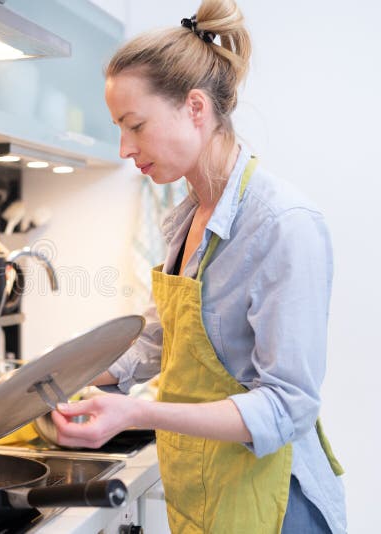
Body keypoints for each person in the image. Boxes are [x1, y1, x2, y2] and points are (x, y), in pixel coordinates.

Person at [49, 1, 347, 532]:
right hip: (206, 494)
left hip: (274, 505)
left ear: (194, 108)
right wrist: (48, 379)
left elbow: (288, 405)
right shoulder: (186, 217)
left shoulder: (283, 224)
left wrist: (137, 412)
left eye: (135, 125)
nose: (123, 148)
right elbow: (158, 340)